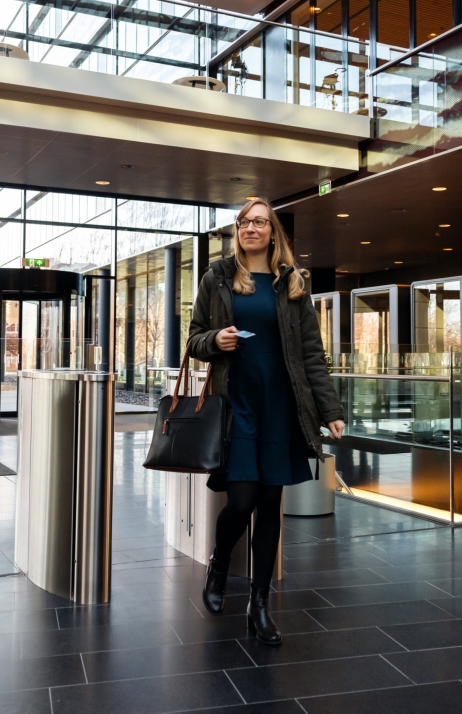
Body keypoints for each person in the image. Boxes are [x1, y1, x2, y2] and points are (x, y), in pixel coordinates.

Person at [186, 197, 345, 645]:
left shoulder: (291, 283)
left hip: (282, 406)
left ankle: (259, 605)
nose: (250, 228)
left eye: (258, 222)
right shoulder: (217, 277)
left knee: (270, 504)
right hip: (238, 406)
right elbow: (194, 338)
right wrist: (216, 338)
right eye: (243, 222)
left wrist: (329, 410)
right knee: (240, 501)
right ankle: (219, 564)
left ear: (273, 231)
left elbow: (312, 355)